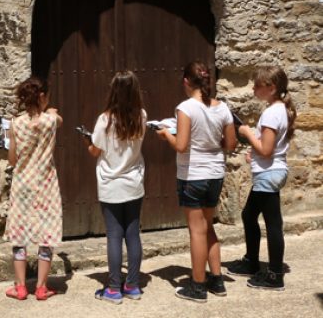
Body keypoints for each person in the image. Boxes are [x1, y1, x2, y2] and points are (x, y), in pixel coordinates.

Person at [157, 61, 237, 303]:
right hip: (215, 174)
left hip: (193, 175)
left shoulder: (186, 108)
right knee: (208, 227)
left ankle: (198, 285)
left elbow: (181, 146)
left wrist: (165, 135)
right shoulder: (222, 108)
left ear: (185, 82)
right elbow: (231, 145)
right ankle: (217, 279)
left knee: (196, 231)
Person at [227, 66, 296, 291]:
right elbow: (268, 147)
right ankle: (252, 261)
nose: (254, 88)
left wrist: (247, 134)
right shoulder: (277, 109)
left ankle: (274, 275)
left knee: (273, 224)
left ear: (272, 88)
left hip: (269, 173)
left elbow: (266, 150)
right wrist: (253, 150)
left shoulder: (271, 113)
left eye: (258, 85)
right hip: (271, 171)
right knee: (249, 215)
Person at [85, 71, 147, 304]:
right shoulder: (141, 115)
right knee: (133, 234)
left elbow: (95, 150)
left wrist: (87, 141)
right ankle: (132, 285)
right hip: (133, 182)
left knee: (114, 235)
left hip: (111, 184)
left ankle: (113, 288)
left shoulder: (105, 120)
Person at [3, 76, 63, 301]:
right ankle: (41, 287)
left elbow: (12, 160)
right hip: (46, 182)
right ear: (41, 96)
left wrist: (10, 137)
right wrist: (50, 111)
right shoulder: (51, 120)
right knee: (46, 234)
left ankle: (20, 287)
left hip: (22, 184)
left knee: (19, 235)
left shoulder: (15, 124)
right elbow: (59, 120)